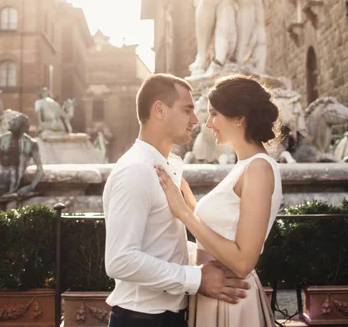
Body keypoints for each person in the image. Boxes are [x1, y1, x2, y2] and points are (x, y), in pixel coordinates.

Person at [103, 74, 250, 327]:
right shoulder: (136, 170)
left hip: (168, 318)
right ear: (159, 110)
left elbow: (162, 243)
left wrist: (209, 257)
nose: (196, 120)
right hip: (142, 320)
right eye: (187, 110)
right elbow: (120, 260)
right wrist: (196, 279)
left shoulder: (163, 167)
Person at [155, 74, 282, 326]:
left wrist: (186, 214)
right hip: (216, 296)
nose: (208, 124)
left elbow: (243, 260)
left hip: (231, 301)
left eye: (214, 114)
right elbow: (224, 228)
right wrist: (189, 200)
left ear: (239, 118)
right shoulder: (245, 165)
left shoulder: (258, 168)